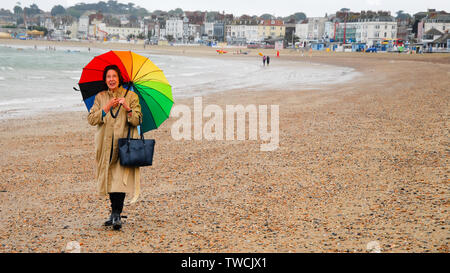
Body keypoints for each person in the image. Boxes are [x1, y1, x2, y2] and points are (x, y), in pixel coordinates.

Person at [87, 65, 143, 230]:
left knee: (120, 179)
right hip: (104, 145)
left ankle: (117, 213)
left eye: (114, 76)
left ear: (120, 79)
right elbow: (91, 119)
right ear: (105, 80)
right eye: (108, 77)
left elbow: (138, 120)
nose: (111, 79)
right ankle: (114, 213)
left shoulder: (131, 96)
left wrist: (127, 108)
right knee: (110, 178)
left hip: (124, 144)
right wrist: (105, 109)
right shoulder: (100, 97)